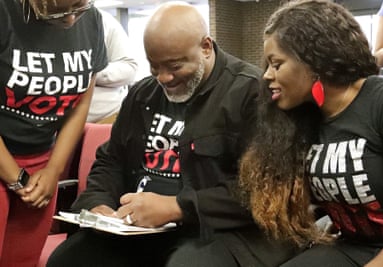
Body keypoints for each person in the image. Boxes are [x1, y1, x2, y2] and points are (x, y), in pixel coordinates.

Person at [47, 2, 296, 267]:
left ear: (206, 47)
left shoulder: (251, 93)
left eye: (175, 66)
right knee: (68, 258)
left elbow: (264, 190)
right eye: (155, 67)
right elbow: (112, 160)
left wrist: (177, 207)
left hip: (214, 231)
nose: (164, 78)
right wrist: (99, 204)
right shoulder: (143, 94)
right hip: (141, 229)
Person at [238, 0, 383, 266]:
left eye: (276, 64)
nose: (266, 75)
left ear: (314, 61)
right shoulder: (303, 118)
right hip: (356, 248)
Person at [0, 0, 107, 266]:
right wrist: (16, 178)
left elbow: (81, 102)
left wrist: (54, 170)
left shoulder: (91, 20)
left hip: (41, 165)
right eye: (60, 11)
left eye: (79, 7)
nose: (71, 20)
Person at [87, 9, 138, 123]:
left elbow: (130, 68)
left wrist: (89, 73)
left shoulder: (104, 20)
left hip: (106, 118)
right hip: (53, 122)